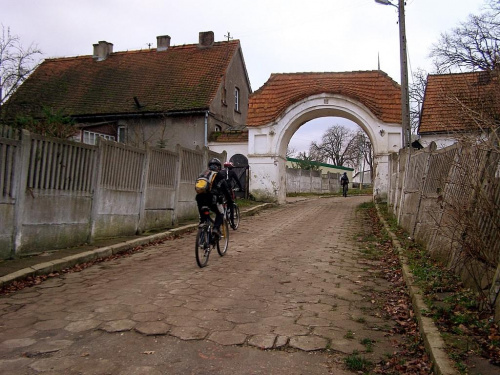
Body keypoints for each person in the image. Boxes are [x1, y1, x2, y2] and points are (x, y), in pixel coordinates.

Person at [195, 158, 232, 237]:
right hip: (212, 198)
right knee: (220, 214)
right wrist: (230, 200)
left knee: (203, 215)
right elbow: (225, 190)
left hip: (200, 197)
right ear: (218, 167)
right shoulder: (219, 175)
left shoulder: (203, 173)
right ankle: (215, 228)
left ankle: (202, 223)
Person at [220, 161, 244, 229]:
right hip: (228, 190)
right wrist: (241, 188)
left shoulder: (221, 172)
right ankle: (232, 223)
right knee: (231, 204)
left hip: (220, 190)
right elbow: (237, 180)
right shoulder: (232, 172)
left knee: (220, 202)